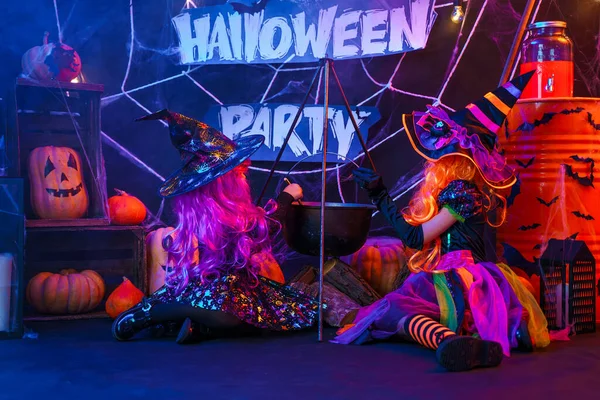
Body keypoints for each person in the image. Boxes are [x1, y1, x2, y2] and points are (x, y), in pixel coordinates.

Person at [332, 71, 551, 372]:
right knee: (410, 308)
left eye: (441, 145)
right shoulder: (471, 192)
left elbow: (414, 239)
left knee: (395, 308)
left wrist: (380, 195)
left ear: (454, 155)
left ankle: (448, 341)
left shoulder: (459, 191)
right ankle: (500, 332)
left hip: (459, 276)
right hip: (481, 279)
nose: (434, 153)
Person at [112, 110, 320, 344]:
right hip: (212, 293)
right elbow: (266, 227)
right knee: (229, 313)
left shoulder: (225, 216)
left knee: (269, 316)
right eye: (239, 175)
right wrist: (286, 197)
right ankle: (153, 314)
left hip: (239, 290)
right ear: (224, 186)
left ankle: (201, 327)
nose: (244, 180)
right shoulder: (226, 221)